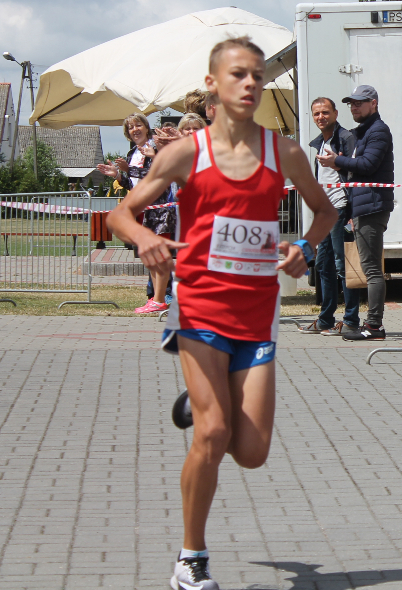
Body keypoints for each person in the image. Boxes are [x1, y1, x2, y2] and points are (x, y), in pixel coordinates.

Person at [106, 36, 335, 590]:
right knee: (211, 434)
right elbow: (121, 213)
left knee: (251, 452)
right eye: (238, 74)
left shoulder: (285, 153)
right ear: (213, 84)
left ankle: (204, 397)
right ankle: (192, 558)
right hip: (201, 308)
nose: (251, 83)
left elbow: (325, 212)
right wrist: (143, 238)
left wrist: (303, 248)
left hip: (258, 311)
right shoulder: (186, 153)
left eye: (258, 75)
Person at [316, 85, 393, 340]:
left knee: (370, 269)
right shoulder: (363, 131)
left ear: (374, 103)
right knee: (364, 267)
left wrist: (336, 160)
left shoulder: (378, 130)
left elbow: (368, 165)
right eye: (352, 103)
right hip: (361, 206)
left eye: (359, 103)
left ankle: (373, 326)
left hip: (372, 206)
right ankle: (365, 323)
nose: (354, 107)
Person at [96, 113, 177, 313]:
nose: (135, 129)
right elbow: (135, 184)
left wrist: (129, 170)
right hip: (143, 211)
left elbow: (158, 174)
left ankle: (162, 298)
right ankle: (156, 298)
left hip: (161, 209)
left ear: (146, 127)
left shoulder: (155, 146)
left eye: (138, 125)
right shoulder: (133, 152)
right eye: (131, 127)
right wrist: (118, 175)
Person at [302, 97, 360, 336]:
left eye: (325, 112)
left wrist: (352, 213)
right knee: (323, 266)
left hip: (340, 209)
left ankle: (350, 320)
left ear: (336, 113)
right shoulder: (319, 142)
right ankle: (325, 319)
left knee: (342, 266)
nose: (321, 117)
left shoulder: (346, 138)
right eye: (316, 114)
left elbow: (356, 173)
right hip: (324, 212)